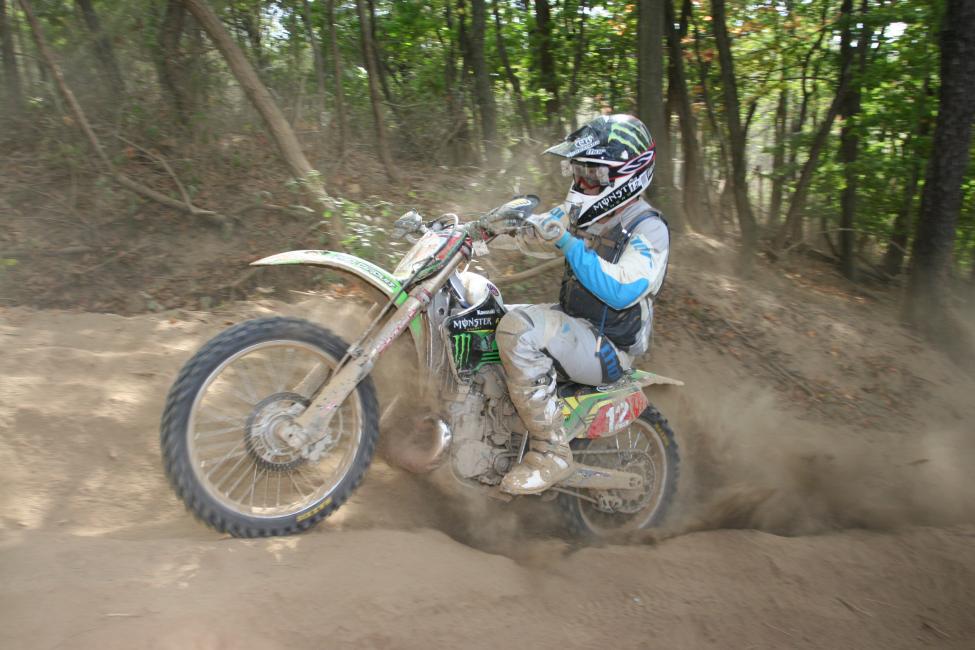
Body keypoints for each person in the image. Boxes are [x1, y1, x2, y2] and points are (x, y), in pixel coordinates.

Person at [494, 114, 670, 495]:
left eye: (592, 175)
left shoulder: (648, 229)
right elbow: (533, 233)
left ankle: (551, 452)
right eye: (578, 172)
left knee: (519, 330)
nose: (582, 183)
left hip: (608, 347)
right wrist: (479, 233)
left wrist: (569, 245)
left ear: (626, 176)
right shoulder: (582, 211)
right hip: (576, 326)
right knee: (486, 313)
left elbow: (622, 289)